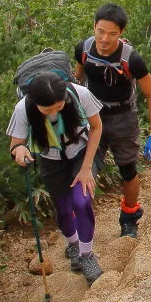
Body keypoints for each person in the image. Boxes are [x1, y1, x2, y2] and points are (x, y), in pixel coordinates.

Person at [74, 3, 151, 238]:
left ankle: (130, 215)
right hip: (93, 116)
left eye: (112, 33)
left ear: (121, 33)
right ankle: (81, 226)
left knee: (127, 169)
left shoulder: (131, 59)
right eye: (101, 31)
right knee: (85, 169)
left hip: (123, 117)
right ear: (94, 26)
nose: (105, 38)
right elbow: (76, 80)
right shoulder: (83, 49)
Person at [8, 71, 105, 284]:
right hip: (50, 158)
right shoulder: (23, 108)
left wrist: (87, 168)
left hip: (81, 153)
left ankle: (87, 256)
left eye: (59, 106)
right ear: (35, 103)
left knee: (82, 200)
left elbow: (97, 127)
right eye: (46, 109)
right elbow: (16, 144)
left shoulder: (79, 94)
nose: (53, 112)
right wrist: (20, 151)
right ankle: (73, 244)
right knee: (62, 208)